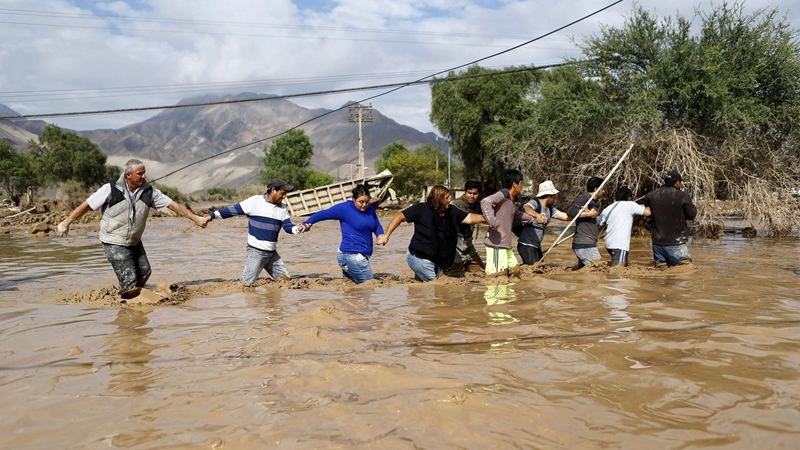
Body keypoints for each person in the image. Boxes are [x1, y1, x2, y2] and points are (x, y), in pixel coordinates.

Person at [56, 159, 209, 300]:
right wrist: (66, 222)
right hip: (113, 241)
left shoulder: (150, 192)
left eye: (144, 173)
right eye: (140, 174)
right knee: (130, 279)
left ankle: (132, 296)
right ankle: (129, 307)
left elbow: (173, 205)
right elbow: (86, 206)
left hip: (134, 241)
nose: (144, 177)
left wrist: (196, 219)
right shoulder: (110, 189)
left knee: (145, 272)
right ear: (128, 175)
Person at [206, 180, 306, 285]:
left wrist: (298, 229)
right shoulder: (255, 202)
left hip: (272, 254)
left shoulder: (283, 207)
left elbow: (287, 226)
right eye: (282, 193)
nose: (284, 197)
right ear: (273, 190)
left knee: (285, 281)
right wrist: (211, 216)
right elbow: (231, 210)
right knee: (246, 285)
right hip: (256, 252)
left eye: (286, 194)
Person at [378, 185, 484, 281]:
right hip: (420, 258)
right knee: (441, 287)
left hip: (438, 261)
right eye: (447, 198)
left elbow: (470, 218)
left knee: (423, 289)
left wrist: (488, 219)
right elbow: (399, 216)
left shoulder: (451, 210)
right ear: (438, 199)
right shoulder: (421, 209)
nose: (450, 200)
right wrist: (386, 235)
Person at [301, 184, 384, 284]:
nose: (364, 205)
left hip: (358, 256)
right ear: (354, 199)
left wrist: (380, 235)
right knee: (371, 286)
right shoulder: (344, 209)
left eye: (367, 202)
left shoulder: (370, 210)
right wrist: (306, 223)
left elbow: (376, 226)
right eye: (361, 202)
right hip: (352, 256)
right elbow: (323, 214)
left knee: (350, 291)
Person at [480, 169, 535, 275]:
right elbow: (485, 202)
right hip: (496, 244)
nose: (522, 186)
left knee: (515, 271)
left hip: (505, 245)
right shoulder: (503, 194)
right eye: (521, 183)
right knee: (497, 278)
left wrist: (533, 219)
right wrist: (492, 221)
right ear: (515, 184)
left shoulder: (510, 199)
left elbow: (517, 214)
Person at [640, 170, 697, 266]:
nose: (681, 184)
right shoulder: (682, 195)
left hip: (657, 245)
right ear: (677, 182)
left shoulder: (652, 195)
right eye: (681, 182)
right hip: (676, 243)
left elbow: (636, 206)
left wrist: (650, 216)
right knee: (685, 271)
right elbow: (692, 215)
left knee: (662, 273)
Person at [516, 180, 570, 264]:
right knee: (533, 271)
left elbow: (565, 216)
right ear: (548, 196)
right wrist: (537, 215)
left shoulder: (550, 209)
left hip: (536, 246)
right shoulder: (535, 202)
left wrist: (581, 214)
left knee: (541, 268)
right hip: (526, 245)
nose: (555, 198)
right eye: (554, 196)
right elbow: (526, 208)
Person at [597, 186, 652, 266]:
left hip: (609, 244)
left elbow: (599, 221)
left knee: (621, 265)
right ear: (629, 197)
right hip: (620, 245)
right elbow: (648, 212)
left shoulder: (609, 207)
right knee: (618, 272)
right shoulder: (631, 205)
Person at [566, 176, 605, 268]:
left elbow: (594, 213)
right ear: (596, 189)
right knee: (598, 270)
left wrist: (590, 213)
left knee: (585, 273)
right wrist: (589, 214)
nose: (604, 191)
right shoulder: (585, 198)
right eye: (603, 189)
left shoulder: (597, 202)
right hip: (584, 244)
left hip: (587, 243)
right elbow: (570, 211)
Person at [450, 180, 485, 272]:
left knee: (480, 271)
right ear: (465, 192)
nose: (472, 196)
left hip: (468, 245)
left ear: (479, 194)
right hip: (455, 245)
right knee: (453, 274)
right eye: (469, 193)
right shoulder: (456, 204)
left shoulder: (478, 205)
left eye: (475, 193)